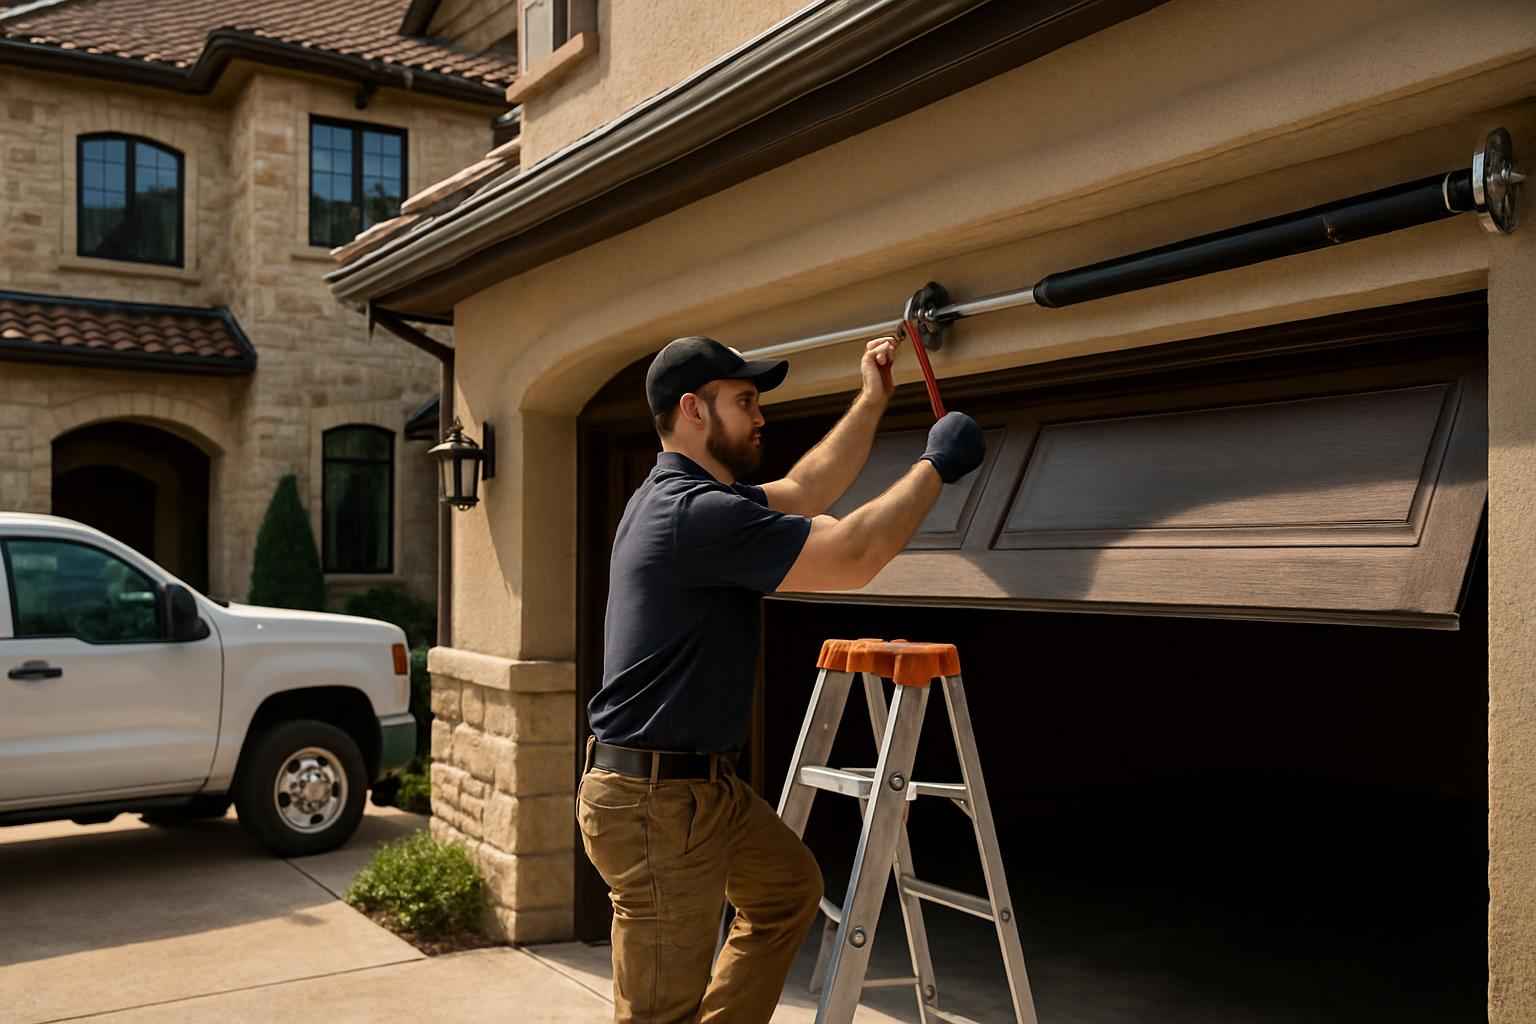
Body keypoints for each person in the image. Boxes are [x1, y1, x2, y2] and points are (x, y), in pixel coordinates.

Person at [580, 331, 986, 1023]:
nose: (760, 415)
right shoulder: (693, 514)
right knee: (657, 1015)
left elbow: (804, 490)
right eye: (744, 401)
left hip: (699, 790)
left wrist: (871, 401)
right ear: (694, 409)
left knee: (787, 893)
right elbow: (853, 554)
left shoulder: (691, 498)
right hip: (656, 803)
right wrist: (936, 465)